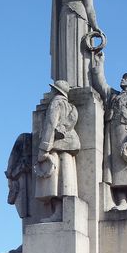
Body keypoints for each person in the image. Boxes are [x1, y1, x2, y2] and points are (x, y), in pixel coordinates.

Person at [91, 52, 127, 212]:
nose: (123, 79)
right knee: (116, 171)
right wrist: (99, 63)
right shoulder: (114, 96)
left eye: (126, 78)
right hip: (113, 134)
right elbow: (100, 83)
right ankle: (122, 202)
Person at [35, 80, 80, 222]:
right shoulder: (72, 107)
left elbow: (50, 125)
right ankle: (63, 213)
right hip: (69, 146)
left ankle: (57, 213)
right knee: (66, 183)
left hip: (55, 146)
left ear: (56, 91)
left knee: (55, 184)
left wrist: (43, 148)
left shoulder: (56, 102)